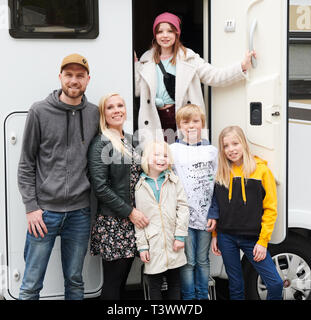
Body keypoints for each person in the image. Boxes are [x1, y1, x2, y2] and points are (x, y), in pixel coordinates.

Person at [17, 53, 99, 300]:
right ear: (60, 77)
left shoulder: (95, 114)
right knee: (31, 284)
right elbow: (26, 164)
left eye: (80, 76)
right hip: (44, 214)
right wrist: (31, 207)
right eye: (69, 75)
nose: (74, 81)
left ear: (87, 80)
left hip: (79, 213)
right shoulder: (39, 111)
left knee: (75, 282)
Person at [135, 12, 256, 144]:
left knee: (185, 159)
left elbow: (215, 76)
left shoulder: (190, 58)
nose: (165, 35)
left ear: (177, 33)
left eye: (170, 31)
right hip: (155, 118)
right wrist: (135, 66)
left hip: (184, 119)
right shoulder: (145, 60)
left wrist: (242, 67)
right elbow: (137, 90)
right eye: (160, 32)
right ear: (155, 35)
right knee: (159, 159)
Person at [209, 125, 283, 300]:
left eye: (235, 143)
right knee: (235, 286)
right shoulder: (221, 172)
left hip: (253, 239)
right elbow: (217, 206)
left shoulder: (261, 170)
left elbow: (271, 209)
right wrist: (214, 235)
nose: (231, 149)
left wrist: (263, 241)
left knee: (275, 284)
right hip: (226, 237)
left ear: (243, 143)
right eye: (226, 146)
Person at [87, 93, 149, 300]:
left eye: (120, 106)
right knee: (113, 283)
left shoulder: (131, 140)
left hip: (133, 221)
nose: (117, 110)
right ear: (103, 114)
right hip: (114, 223)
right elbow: (101, 188)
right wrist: (130, 212)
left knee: (123, 282)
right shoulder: (101, 143)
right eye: (110, 107)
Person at [170, 104, 218, 300]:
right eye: (186, 121)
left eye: (195, 121)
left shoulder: (212, 151)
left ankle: (202, 295)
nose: (191, 125)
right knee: (188, 261)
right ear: (179, 126)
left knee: (202, 260)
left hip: (206, 216)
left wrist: (215, 213)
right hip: (184, 217)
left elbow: (218, 184)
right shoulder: (174, 149)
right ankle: (189, 298)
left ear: (202, 124)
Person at [135, 141, 189, 300]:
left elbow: (183, 208)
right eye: (156, 155)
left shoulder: (174, 181)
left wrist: (180, 236)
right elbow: (139, 221)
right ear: (146, 159)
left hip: (174, 242)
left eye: (165, 155)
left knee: (175, 283)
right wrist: (143, 246)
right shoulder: (140, 187)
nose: (161, 158)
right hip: (153, 245)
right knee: (155, 285)